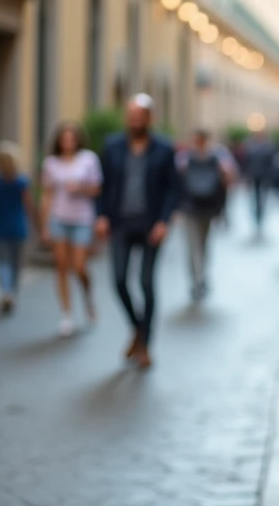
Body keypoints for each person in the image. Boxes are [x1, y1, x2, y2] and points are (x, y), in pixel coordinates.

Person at [95, 95, 181, 370]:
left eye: (139, 116)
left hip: (150, 225)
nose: (134, 120)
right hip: (120, 223)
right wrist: (101, 216)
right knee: (119, 280)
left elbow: (173, 189)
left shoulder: (164, 149)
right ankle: (137, 329)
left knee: (146, 283)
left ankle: (145, 344)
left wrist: (164, 221)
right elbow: (103, 184)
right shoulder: (113, 146)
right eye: (130, 115)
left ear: (149, 118)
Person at [40, 122, 103, 337]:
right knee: (61, 267)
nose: (68, 142)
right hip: (59, 218)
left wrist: (80, 188)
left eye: (71, 137)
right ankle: (66, 315)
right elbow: (47, 195)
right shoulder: (51, 164)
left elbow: (97, 189)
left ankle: (88, 297)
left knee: (79, 266)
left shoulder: (89, 159)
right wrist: (44, 225)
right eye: (64, 138)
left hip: (82, 219)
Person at [176, 129, 236, 302]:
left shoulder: (216, 155)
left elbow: (230, 177)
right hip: (193, 207)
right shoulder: (186, 157)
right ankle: (198, 279)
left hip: (205, 207)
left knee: (201, 244)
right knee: (196, 245)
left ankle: (200, 277)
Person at [0, 142, 38, 314]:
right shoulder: (21, 181)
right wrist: (36, 223)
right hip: (18, 225)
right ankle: (12, 292)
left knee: (3, 262)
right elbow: (28, 204)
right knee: (15, 263)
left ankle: (6, 291)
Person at [240, 129, 278, 233]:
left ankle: (261, 216)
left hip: (265, 177)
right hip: (253, 176)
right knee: (255, 199)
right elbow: (245, 162)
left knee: (263, 199)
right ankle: (256, 217)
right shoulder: (249, 146)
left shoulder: (268, 146)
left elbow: (272, 162)